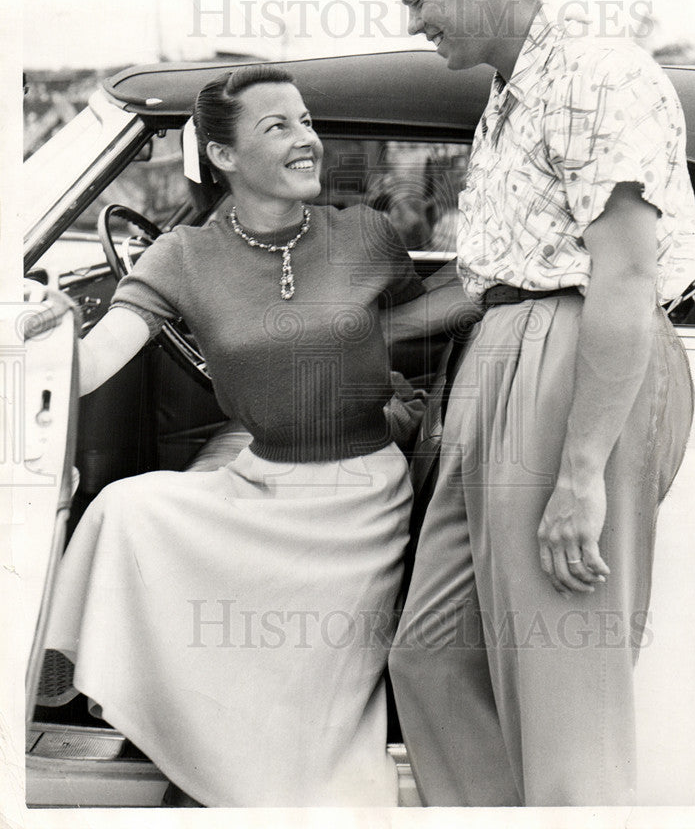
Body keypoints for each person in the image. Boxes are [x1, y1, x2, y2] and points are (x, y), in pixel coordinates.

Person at [37, 64, 475, 807]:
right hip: (260, 483)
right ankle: (116, 712)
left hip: (359, 503)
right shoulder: (181, 256)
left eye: (306, 122)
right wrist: (32, 347)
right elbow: (100, 358)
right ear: (224, 157)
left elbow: (415, 331)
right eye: (279, 127)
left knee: (313, 736)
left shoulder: (364, 234)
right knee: (120, 509)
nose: (307, 140)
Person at [385, 0, 695, 806]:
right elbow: (494, 276)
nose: (415, 24)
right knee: (432, 658)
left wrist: (581, 473)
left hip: (576, 353)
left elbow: (626, 277)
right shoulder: (508, 94)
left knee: (564, 684)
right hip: (503, 350)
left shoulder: (597, 75)